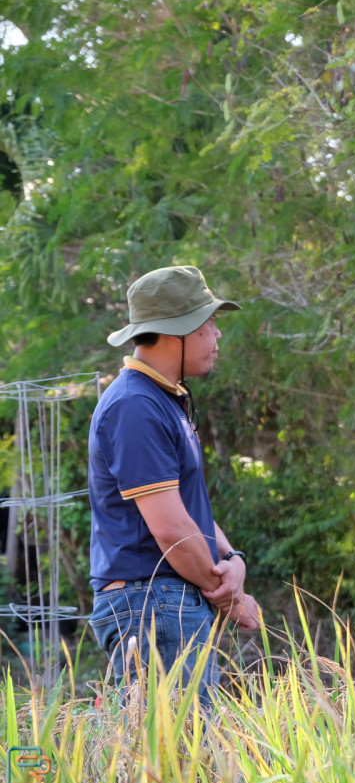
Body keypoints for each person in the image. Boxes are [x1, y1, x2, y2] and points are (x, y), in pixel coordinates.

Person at [89, 265, 260, 704]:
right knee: (183, 745)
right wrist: (229, 598)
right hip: (152, 602)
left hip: (165, 600)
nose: (217, 335)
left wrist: (231, 559)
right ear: (175, 332)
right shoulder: (135, 406)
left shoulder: (162, 399)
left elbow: (185, 510)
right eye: (209, 322)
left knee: (191, 744)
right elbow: (170, 530)